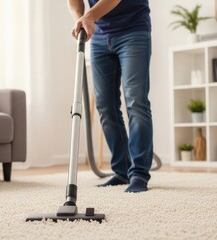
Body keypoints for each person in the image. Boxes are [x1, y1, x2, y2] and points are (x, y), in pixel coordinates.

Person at [67, 0, 153, 193]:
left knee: (136, 102)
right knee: (106, 107)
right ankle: (122, 171)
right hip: (99, 36)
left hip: (133, 30)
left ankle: (139, 173)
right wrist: (80, 18)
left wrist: (89, 16)